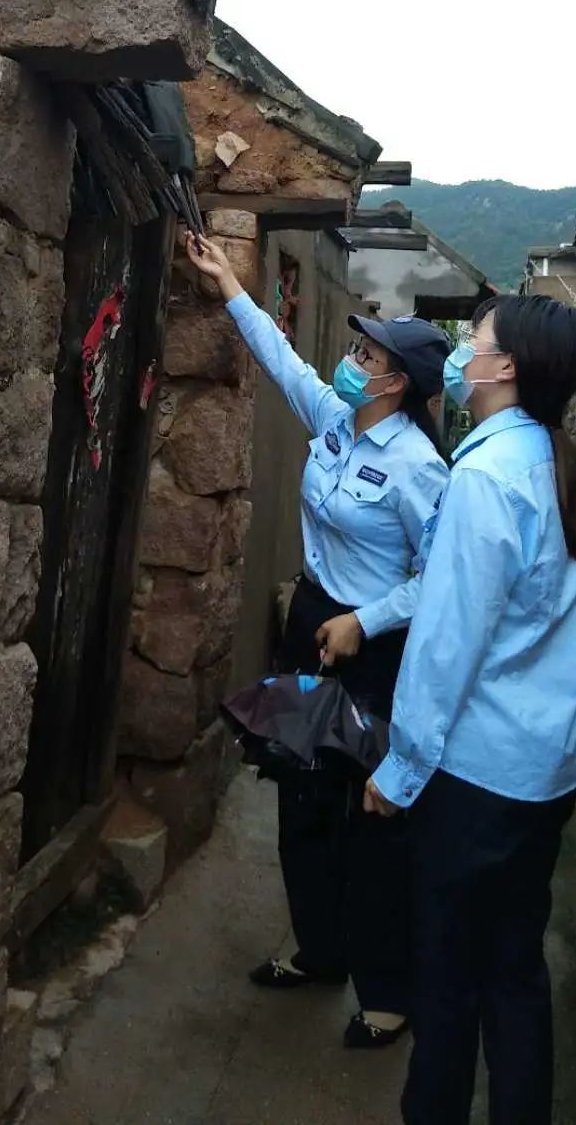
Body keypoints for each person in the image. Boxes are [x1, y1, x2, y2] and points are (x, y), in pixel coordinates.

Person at [186, 232, 449, 1048]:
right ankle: (320, 951)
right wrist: (230, 283)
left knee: (372, 820)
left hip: (373, 654)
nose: (351, 355)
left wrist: (362, 623)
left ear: (396, 383)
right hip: (312, 628)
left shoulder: (417, 467)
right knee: (302, 799)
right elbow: (281, 357)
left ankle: (388, 992)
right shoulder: (335, 418)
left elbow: (440, 580)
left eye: (367, 353)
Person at [364, 294, 576, 1125]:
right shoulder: (549, 460)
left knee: (448, 985)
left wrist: (401, 768)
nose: (463, 349)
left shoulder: (487, 473)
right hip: (542, 771)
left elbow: (447, 642)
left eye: (477, 339)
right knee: (513, 974)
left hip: (478, 781)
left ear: (507, 370)